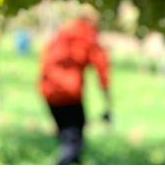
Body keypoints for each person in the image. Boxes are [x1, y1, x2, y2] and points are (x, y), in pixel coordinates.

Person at [38, 11, 111, 164]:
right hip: (69, 93)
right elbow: (102, 66)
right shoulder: (87, 36)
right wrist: (107, 101)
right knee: (73, 142)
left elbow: (46, 56)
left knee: (68, 136)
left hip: (49, 90)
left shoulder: (63, 32)